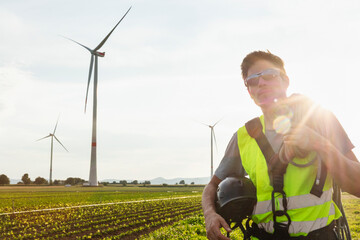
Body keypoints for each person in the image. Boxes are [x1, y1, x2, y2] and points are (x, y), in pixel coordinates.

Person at [202, 50, 360, 240]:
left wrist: (319, 143)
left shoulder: (320, 119)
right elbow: (211, 187)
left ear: (285, 80)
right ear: (248, 90)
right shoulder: (243, 137)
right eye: (252, 79)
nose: (261, 82)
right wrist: (210, 215)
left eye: (269, 75)